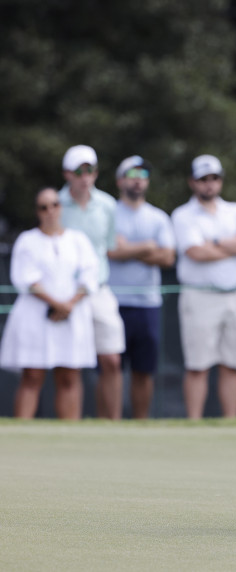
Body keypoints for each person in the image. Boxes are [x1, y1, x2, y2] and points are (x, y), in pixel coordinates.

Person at [171, 154, 236, 419]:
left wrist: (215, 243)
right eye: (203, 179)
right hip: (199, 295)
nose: (208, 184)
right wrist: (234, 245)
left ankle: (230, 424)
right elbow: (196, 252)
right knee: (197, 366)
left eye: (213, 178)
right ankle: (194, 424)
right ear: (192, 182)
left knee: (232, 365)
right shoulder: (183, 215)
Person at [0, 188, 98, 419]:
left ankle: (70, 437)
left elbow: (90, 274)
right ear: (38, 211)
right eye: (43, 207)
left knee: (69, 376)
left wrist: (69, 304)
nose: (50, 211)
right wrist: (57, 304)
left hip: (70, 315)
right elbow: (27, 279)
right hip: (36, 317)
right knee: (32, 376)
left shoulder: (78, 240)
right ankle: (22, 437)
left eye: (54, 205)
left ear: (60, 207)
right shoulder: (27, 240)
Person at [58, 145, 127, 419]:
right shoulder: (55, 205)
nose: (85, 177)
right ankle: (70, 427)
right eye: (79, 171)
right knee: (70, 365)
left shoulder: (108, 205)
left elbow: (108, 248)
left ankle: (111, 424)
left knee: (111, 359)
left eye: (90, 171)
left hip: (98, 290)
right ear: (67, 174)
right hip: (65, 294)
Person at [107, 156, 176, 418]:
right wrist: (148, 246)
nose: (138, 179)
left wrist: (130, 249)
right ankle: (110, 425)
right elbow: (110, 251)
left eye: (143, 174)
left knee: (143, 369)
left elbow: (168, 258)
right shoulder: (109, 212)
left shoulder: (158, 217)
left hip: (147, 303)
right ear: (120, 180)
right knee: (111, 368)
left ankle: (140, 424)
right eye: (132, 174)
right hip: (113, 301)